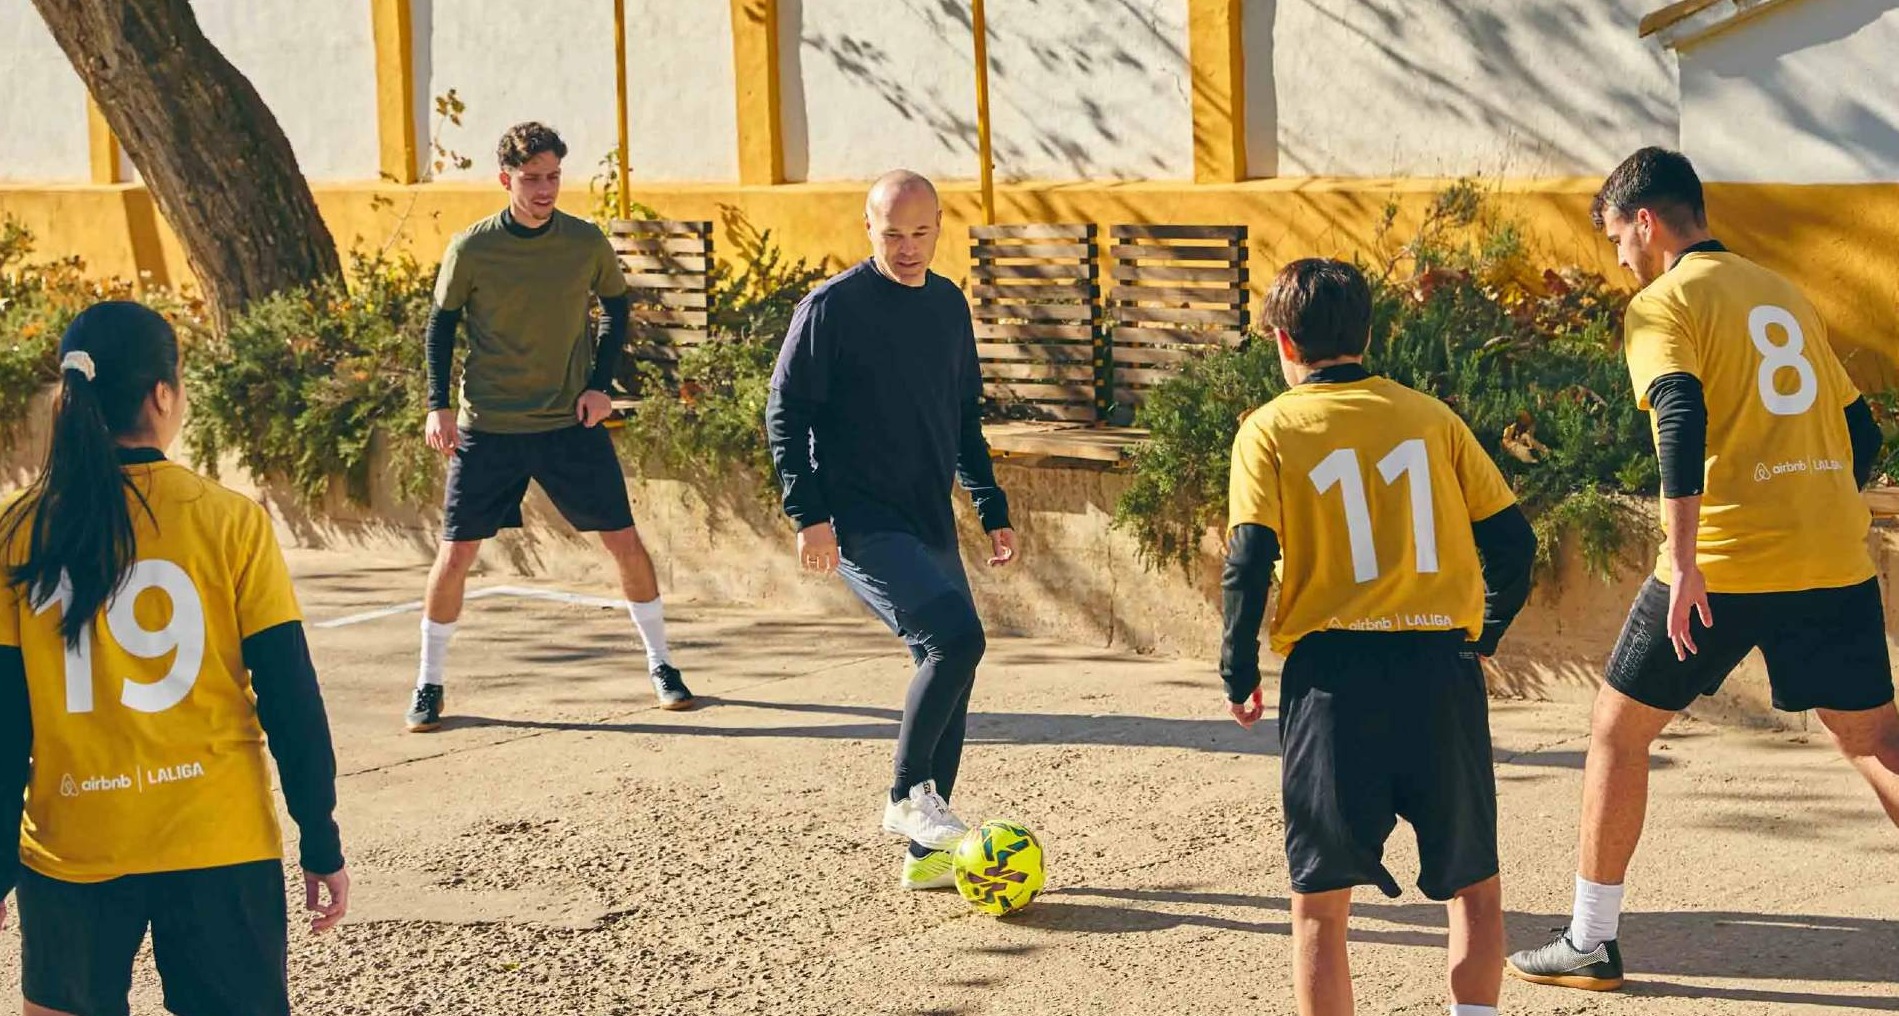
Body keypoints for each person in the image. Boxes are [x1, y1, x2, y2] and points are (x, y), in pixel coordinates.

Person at [1508, 147, 1899, 991]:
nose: (1617, 260)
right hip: (1830, 554)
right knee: (1872, 741)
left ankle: (1589, 939)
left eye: (1616, 239)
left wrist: (1681, 561)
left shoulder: (1662, 304)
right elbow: (1860, 433)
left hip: (1721, 562)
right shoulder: (1780, 293)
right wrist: (1815, 498)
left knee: (1617, 730)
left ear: (1645, 223)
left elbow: (1677, 415)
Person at [0, 302, 349, 1016]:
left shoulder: (19, 531)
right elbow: (290, 696)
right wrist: (320, 835)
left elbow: (5, 723)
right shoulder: (230, 521)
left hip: (73, 849)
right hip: (218, 842)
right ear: (162, 395)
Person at [1222, 259, 1538, 1016]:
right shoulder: (1430, 418)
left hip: (1332, 681)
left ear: (1282, 342)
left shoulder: (1267, 429)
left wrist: (1237, 667)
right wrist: (1483, 633)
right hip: (1438, 668)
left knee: (1320, 906)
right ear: (1367, 335)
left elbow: (1246, 560)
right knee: (1472, 887)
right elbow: (1514, 546)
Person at [765, 169, 1018, 891]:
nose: (907, 248)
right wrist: (808, 516)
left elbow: (961, 417)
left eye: (920, 232)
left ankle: (928, 855)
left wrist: (990, 507)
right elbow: (784, 414)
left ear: (939, 226)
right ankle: (908, 797)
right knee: (954, 640)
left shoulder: (946, 304)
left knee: (953, 670)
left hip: (925, 513)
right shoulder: (830, 309)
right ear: (868, 229)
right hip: (858, 517)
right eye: (892, 233)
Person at [408, 120, 691, 732]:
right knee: (456, 554)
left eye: (554, 176)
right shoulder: (472, 248)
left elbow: (616, 309)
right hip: (491, 424)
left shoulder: (584, 242)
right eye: (532, 178)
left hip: (568, 422)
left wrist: (599, 386)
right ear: (506, 178)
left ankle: (663, 665)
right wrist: (438, 404)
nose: (544, 189)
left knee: (624, 542)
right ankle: (428, 683)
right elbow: (440, 326)